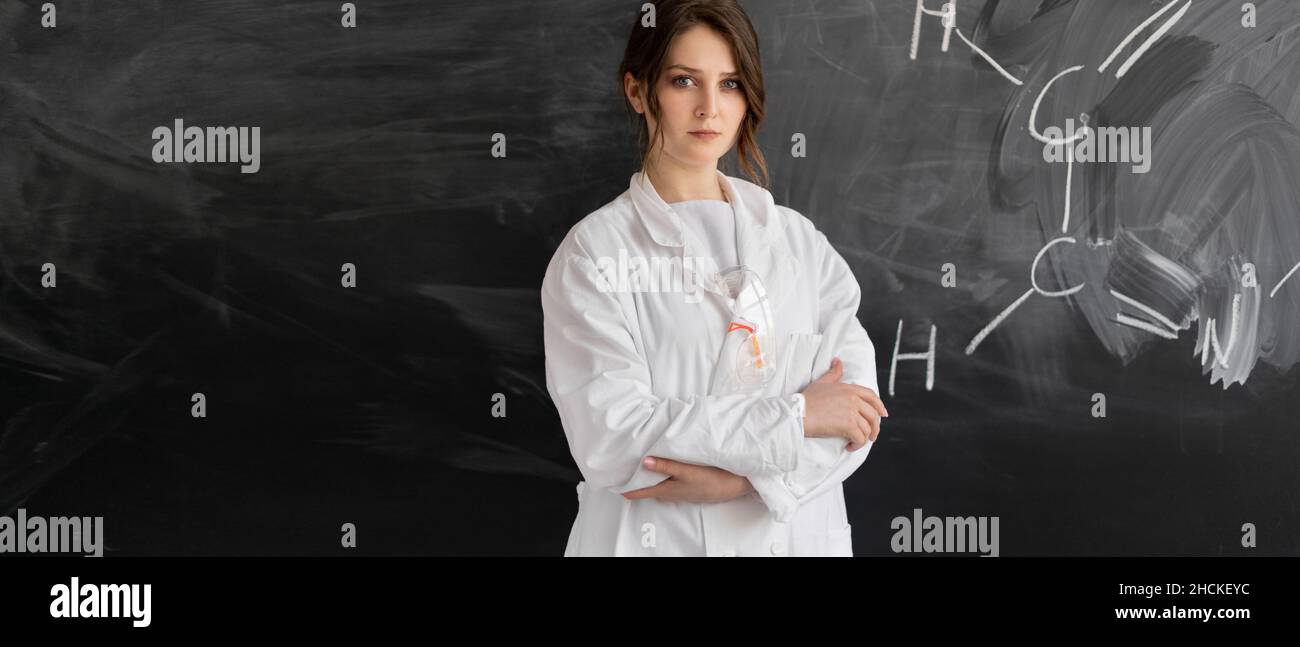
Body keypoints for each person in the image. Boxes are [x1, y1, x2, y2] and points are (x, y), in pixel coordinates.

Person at [541, 0, 888, 556]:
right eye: (684, 81)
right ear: (638, 91)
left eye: (729, 84)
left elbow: (855, 416)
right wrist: (798, 417)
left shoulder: (800, 245)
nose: (709, 108)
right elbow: (616, 438)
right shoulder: (594, 255)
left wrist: (745, 482)